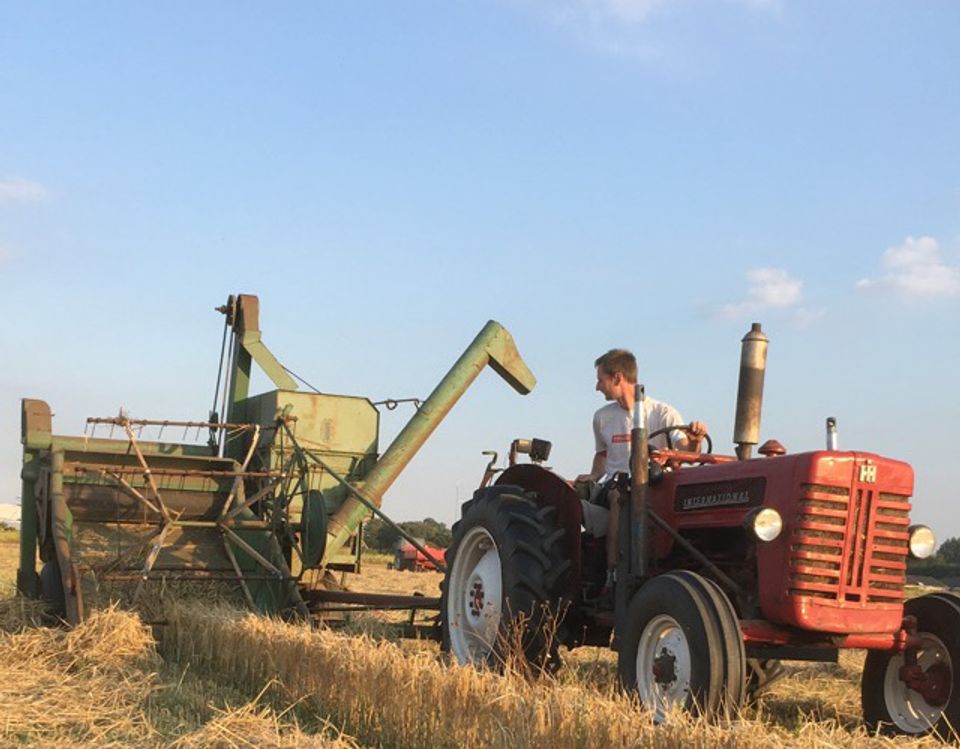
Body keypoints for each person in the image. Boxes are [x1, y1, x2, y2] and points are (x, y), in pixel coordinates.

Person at [576, 348, 708, 593]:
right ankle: (613, 576)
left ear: (617, 378)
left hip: (656, 485)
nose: (597, 387)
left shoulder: (662, 413)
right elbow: (603, 455)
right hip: (615, 486)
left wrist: (695, 439)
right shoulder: (602, 417)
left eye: (600, 380)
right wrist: (594, 476)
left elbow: (686, 451)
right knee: (620, 496)